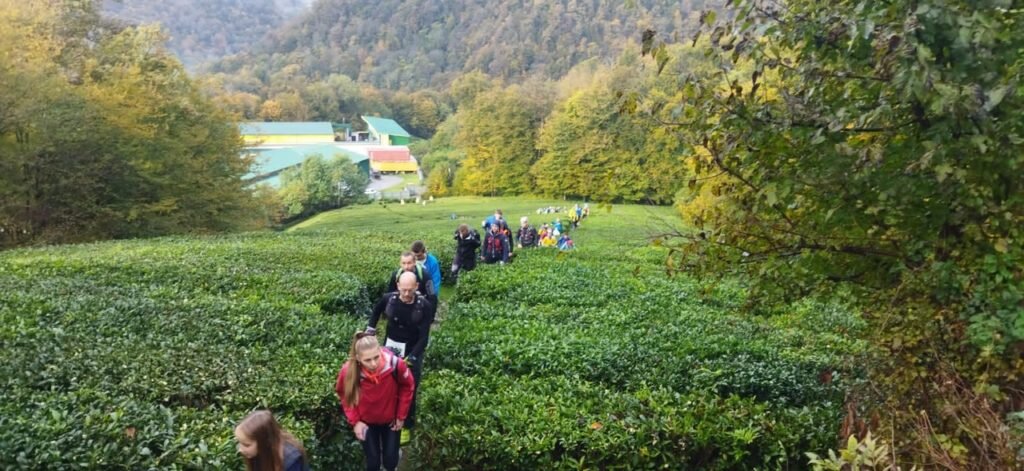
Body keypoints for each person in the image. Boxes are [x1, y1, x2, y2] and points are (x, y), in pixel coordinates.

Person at [366, 272, 435, 442]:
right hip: (390, 348)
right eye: (403, 290)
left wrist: (412, 358)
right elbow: (375, 313)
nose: (406, 294)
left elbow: (424, 337)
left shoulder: (424, 305)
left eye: (410, 290)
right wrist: (370, 332)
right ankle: (387, 417)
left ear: (416, 287)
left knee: (410, 388)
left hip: (412, 349)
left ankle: (407, 425)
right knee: (387, 385)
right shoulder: (388, 299)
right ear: (398, 286)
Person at [336, 332, 415, 471]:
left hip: (391, 420)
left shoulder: (396, 364)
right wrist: (355, 422)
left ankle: (394, 456)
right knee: (373, 463)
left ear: (380, 350)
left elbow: (407, 386)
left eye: (376, 357)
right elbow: (344, 394)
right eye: (367, 360)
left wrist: (401, 416)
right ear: (358, 358)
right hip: (366, 422)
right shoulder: (348, 371)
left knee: (390, 461)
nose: (373, 364)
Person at [235, 410, 310, 471]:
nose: (240, 449)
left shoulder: (291, 459)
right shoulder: (257, 453)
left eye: (246, 445)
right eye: (239, 442)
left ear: (264, 442)